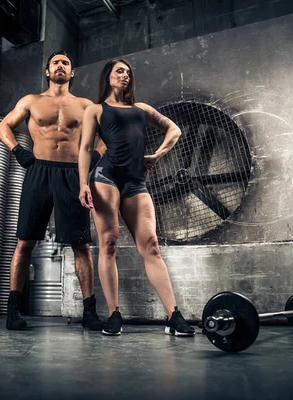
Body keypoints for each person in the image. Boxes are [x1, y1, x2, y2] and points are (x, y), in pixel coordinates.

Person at [78, 59, 196, 336]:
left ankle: (173, 316)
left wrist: (157, 154)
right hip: (105, 178)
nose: (125, 76)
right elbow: (85, 148)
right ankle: (114, 314)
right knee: (108, 243)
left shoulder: (141, 109)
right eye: (120, 71)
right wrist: (83, 183)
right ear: (108, 76)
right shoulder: (95, 110)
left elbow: (174, 130)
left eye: (128, 73)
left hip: (135, 182)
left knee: (151, 245)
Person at [0, 50, 106, 330]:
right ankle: (13, 311)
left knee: (80, 244)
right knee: (25, 242)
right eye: (55, 62)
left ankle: (89, 312)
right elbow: (4, 127)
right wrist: (17, 151)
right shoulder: (31, 101)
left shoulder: (84, 105)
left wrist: (94, 157)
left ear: (72, 73)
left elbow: (107, 138)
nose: (60, 66)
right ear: (47, 72)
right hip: (39, 171)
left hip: (72, 174)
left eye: (66, 63)